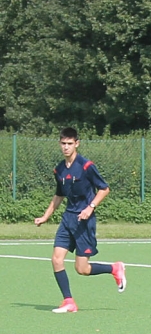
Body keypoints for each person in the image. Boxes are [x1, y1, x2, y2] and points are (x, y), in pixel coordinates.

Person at [34, 127, 126, 312]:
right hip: (68, 219)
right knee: (56, 259)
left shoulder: (86, 166)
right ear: (59, 144)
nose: (66, 147)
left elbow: (104, 189)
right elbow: (59, 195)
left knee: (82, 269)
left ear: (77, 144)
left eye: (70, 143)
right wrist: (45, 216)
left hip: (84, 221)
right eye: (63, 143)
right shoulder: (59, 169)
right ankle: (69, 301)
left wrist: (90, 207)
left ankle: (115, 268)